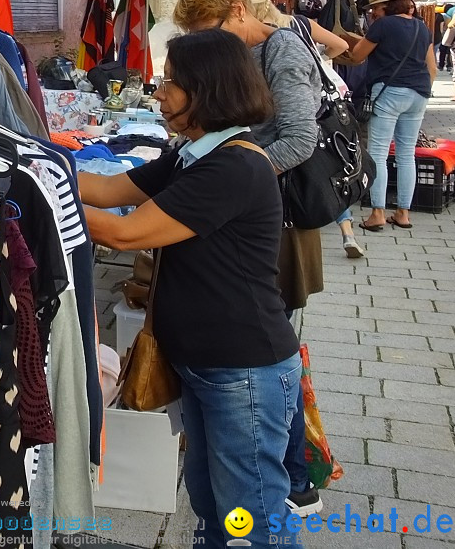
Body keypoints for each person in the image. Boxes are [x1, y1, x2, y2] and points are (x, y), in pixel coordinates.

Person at [80, 29, 301, 548]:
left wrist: (37, 202)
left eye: (169, 84)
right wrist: (32, 162)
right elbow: (111, 189)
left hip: (242, 367)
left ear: (204, 91)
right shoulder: (191, 156)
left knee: (250, 516)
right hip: (207, 364)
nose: (159, 94)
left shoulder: (234, 166)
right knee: (209, 502)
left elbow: (123, 229)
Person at [175, 0, 323, 516]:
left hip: (275, 216)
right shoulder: (248, 53)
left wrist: (236, 175)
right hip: (253, 206)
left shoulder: (281, 50)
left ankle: (293, 475)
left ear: (238, 12)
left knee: (267, 339)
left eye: (209, 29)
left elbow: (300, 139)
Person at [244, 0, 363, 259]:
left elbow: (298, 139)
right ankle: (347, 231)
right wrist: (321, 58)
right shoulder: (299, 23)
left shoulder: (279, 41)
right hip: (316, 96)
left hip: (303, 104)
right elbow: (341, 45)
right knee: (325, 168)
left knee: (313, 160)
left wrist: (309, 65)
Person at [343, 0, 436, 229]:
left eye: (375, 7)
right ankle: (403, 213)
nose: (373, 12)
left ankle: (378, 214)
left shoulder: (383, 25)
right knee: (406, 155)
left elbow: (357, 56)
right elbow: (432, 68)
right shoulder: (422, 27)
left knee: (379, 154)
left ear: (386, 6)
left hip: (389, 92)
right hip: (419, 93)